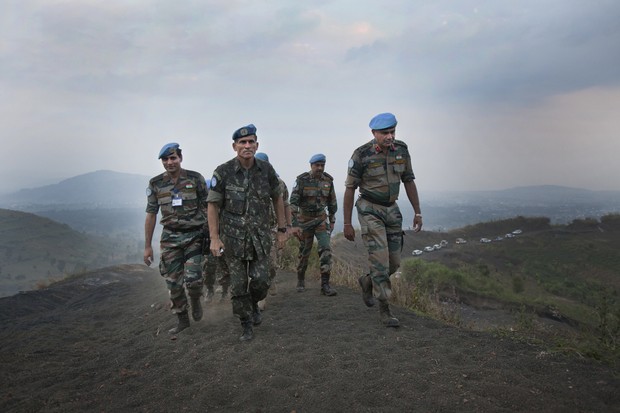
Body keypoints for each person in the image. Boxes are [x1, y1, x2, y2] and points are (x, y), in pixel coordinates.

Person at [207, 124, 288, 341]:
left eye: (251, 141)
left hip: (260, 238)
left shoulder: (267, 170)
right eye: (242, 142)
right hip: (233, 240)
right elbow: (213, 206)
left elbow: (278, 198)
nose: (247, 145)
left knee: (261, 280)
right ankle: (246, 323)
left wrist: (282, 229)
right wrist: (214, 238)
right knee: (239, 284)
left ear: (257, 145)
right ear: (234, 146)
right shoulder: (223, 172)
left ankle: (253, 304)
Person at [343, 113, 423, 328]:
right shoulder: (361, 155)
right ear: (374, 133)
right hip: (369, 210)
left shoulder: (402, 150)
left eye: (392, 132)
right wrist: (347, 223)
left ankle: (367, 280)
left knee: (394, 263)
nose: (389, 136)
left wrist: (418, 212)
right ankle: (385, 308)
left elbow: (409, 181)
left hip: (392, 211)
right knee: (379, 260)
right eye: (385, 133)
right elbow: (350, 188)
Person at [144, 142, 208, 334]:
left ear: (180, 158)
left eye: (173, 158)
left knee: (193, 279)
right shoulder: (156, 184)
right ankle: (182, 319)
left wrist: (213, 235)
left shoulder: (196, 179)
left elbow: (208, 208)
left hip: (194, 236)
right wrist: (147, 246)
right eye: (165, 159)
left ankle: (196, 299)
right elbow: (151, 214)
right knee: (173, 282)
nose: (169, 162)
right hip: (170, 238)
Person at [289, 154, 338, 296]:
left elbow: (332, 202)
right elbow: (293, 203)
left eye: (322, 165)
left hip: (321, 220)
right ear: (311, 165)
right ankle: (300, 279)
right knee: (305, 252)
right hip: (304, 221)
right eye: (317, 165)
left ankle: (325, 285)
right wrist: (295, 224)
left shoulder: (328, 180)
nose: (320, 168)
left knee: (325, 249)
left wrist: (332, 219)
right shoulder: (302, 180)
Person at [254, 152, 292, 310]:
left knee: (270, 263)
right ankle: (259, 298)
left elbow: (285, 205)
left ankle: (271, 279)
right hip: (252, 228)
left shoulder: (279, 183)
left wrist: (287, 226)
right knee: (255, 263)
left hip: (271, 228)